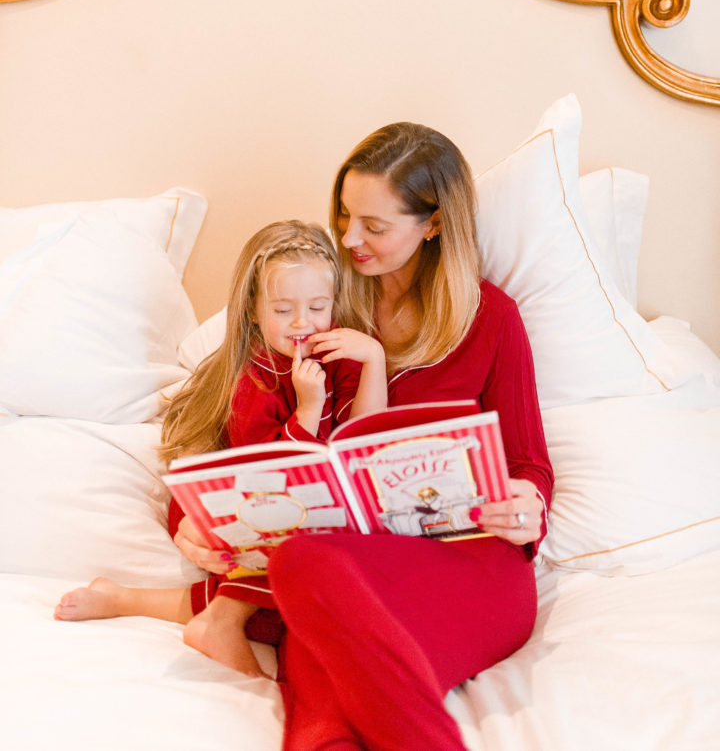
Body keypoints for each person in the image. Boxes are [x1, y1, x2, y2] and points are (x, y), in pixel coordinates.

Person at [172, 122, 554, 750]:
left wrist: (527, 502)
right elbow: (232, 430)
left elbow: (529, 462)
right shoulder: (314, 302)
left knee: (315, 602)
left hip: (472, 563)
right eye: (345, 216)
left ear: (433, 225)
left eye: (374, 227)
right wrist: (196, 523)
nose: (349, 239)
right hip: (342, 566)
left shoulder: (490, 318)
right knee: (307, 572)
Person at [54, 219, 387, 677]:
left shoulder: (333, 357)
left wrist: (374, 360)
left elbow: (367, 441)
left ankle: (125, 598)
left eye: (316, 306)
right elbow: (268, 476)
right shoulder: (254, 380)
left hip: (283, 510)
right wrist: (307, 412)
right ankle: (219, 623)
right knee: (288, 549)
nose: (301, 323)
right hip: (222, 504)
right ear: (252, 311)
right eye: (283, 309)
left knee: (281, 614)